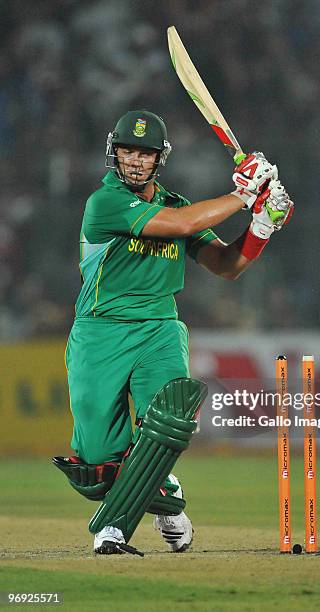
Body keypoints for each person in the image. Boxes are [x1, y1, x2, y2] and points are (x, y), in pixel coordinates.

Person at [53, 109, 293, 555]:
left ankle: (112, 532)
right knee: (97, 463)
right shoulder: (102, 204)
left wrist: (260, 227)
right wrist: (247, 194)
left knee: (165, 423)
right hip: (99, 332)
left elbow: (227, 266)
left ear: (159, 158)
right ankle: (166, 500)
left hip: (159, 330)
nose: (135, 161)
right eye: (127, 150)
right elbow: (183, 226)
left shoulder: (179, 204)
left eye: (145, 153)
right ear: (114, 152)